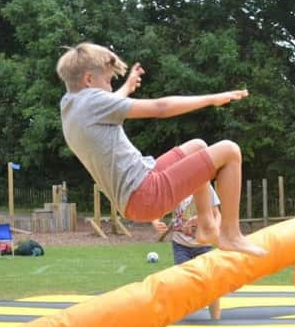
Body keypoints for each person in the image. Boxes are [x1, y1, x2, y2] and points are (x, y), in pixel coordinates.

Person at [56, 42, 266, 257]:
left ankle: (207, 226)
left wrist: (127, 87)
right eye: (108, 81)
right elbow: (161, 108)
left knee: (198, 146)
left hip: (137, 190)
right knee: (230, 151)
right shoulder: (93, 102)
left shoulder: (70, 104)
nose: (110, 88)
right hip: (144, 193)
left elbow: (110, 101)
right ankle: (230, 234)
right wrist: (212, 99)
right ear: (89, 79)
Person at [152, 186, 222, 319]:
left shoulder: (205, 187)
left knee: (212, 282)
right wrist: (155, 221)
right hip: (181, 245)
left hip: (204, 245)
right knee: (181, 281)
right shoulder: (176, 186)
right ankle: (180, 317)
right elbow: (159, 208)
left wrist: (215, 228)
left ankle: (216, 318)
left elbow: (217, 214)